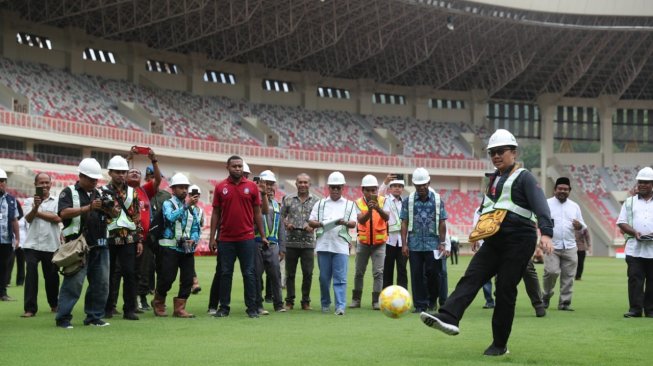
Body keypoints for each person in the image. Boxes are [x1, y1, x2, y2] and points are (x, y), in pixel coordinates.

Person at [420, 129, 554, 356]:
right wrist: (477, 234)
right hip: (494, 239)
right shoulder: (493, 181)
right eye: (492, 153)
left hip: (520, 238)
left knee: (505, 289)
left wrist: (547, 233)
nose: (496, 156)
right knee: (472, 276)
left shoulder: (525, 177)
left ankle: (499, 345)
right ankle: (448, 317)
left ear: (514, 152)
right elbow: (487, 211)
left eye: (500, 151)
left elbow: (541, 205)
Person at [55, 158, 116, 328]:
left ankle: (94, 317)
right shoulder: (68, 192)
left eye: (96, 179)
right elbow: (63, 213)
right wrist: (88, 207)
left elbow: (113, 216)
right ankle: (63, 318)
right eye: (91, 179)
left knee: (101, 284)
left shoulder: (101, 193)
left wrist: (111, 209)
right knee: (73, 283)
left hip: (101, 244)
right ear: (80, 176)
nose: (94, 182)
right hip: (78, 245)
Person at [210, 155, 268, 318]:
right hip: (226, 239)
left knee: (249, 273)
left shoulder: (252, 187)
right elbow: (215, 212)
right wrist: (212, 238)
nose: (238, 169)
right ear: (227, 167)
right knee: (225, 273)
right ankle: (224, 308)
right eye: (234, 166)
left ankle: (251, 308)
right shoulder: (220, 187)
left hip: (247, 237)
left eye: (240, 166)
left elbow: (258, 213)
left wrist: (262, 235)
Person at [150, 173, 200, 318]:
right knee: (167, 278)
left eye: (186, 187)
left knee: (187, 279)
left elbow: (196, 227)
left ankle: (180, 308)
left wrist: (194, 239)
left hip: (186, 249)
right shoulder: (168, 203)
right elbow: (170, 217)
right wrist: (186, 206)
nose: (184, 190)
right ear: (173, 189)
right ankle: (158, 301)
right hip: (169, 248)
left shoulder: (192, 207)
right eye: (180, 187)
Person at [308, 171, 356, 315]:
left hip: (340, 246)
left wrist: (344, 222)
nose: (335, 190)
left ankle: (340, 306)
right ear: (328, 188)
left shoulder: (349, 204)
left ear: (343, 188)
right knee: (324, 278)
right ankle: (325, 304)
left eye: (338, 187)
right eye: (333, 187)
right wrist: (322, 223)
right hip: (323, 245)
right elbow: (311, 221)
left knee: (340, 278)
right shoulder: (320, 203)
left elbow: (353, 223)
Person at [400, 167, 447, 313]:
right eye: (418, 185)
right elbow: (404, 222)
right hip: (414, 245)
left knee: (434, 274)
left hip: (433, 244)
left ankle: (432, 300)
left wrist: (442, 243)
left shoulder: (438, 200)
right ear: (414, 185)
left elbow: (442, 223)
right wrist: (404, 244)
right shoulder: (408, 201)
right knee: (416, 275)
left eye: (424, 184)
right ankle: (420, 305)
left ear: (428, 182)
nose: (421, 187)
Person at [103, 155, 144, 321]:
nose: (121, 175)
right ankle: (108, 308)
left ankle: (129, 309)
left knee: (130, 274)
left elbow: (136, 216)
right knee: (109, 274)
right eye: (117, 172)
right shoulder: (102, 191)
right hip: (109, 238)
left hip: (129, 238)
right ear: (110, 173)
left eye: (123, 172)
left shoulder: (132, 192)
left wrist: (139, 239)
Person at [126, 147, 162, 311]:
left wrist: (153, 160)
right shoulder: (122, 190)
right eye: (131, 171)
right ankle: (118, 303)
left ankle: (140, 299)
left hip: (145, 238)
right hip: (125, 237)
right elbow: (115, 176)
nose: (134, 173)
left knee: (144, 271)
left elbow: (158, 180)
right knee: (124, 271)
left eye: (137, 173)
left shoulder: (144, 190)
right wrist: (128, 158)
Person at [21, 173, 61, 317]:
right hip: (31, 244)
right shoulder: (28, 201)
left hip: (51, 244)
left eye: (47, 182)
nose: (44, 185)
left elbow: (58, 217)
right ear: (35, 184)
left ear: (51, 184)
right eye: (41, 183)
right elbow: (28, 218)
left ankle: (54, 304)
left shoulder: (57, 201)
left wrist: (37, 211)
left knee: (52, 276)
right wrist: (35, 208)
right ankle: (30, 309)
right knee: (31, 275)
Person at [543, 177, 586, 311]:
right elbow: (539, 221)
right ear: (555, 190)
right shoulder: (546, 204)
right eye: (560, 189)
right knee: (551, 272)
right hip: (552, 245)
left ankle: (564, 303)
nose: (562, 191)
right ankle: (546, 296)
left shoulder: (574, 206)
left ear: (569, 191)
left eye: (565, 189)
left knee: (568, 276)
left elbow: (583, 225)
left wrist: (579, 226)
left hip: (570, 246)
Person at [617, 166, 653, 318]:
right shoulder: (629, 202)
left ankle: (650, 310)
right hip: (634, 249)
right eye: (640, 182)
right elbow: (622, 222)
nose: (642, 185)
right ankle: (635, 310)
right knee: (635, 280)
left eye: (646, 182)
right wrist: (634, 232)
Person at [351, 174, 390, 310]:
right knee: (359, 272)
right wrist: (369, 210)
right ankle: (356, 300)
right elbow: (361, 220)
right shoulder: (357, 203)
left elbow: (387, 217)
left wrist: (377, 208)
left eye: (374, 190)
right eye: (368, 190)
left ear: (377, 189)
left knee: (378, 273)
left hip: (379, 243)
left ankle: (376, 301)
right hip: (363, 242)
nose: (371, 193)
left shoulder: (384, 201)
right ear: (363, 190)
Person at [281, 173, 319, 310]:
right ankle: (289, 301)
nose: (303, 184)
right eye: (300, 182)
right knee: (289, 273)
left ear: (310, 184)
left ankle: (305, 302)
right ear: (296, 184)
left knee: (308, 273)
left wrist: (312, 226)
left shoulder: (317, 200)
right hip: (291, 242)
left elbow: (321, 220)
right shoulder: (288, 199)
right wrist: (286, 223)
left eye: (305, 182)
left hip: (308, 243)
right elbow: (281, 217)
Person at [254, 170, 286, 314]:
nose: (269, 187)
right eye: (266, 183)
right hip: (256, 243)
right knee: (256, 276)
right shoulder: (254, 202)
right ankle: (258, 305)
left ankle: (279, 305)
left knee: (275, 275)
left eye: (272, 184)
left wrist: (282, 248)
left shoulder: (278, 205)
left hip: (273, 245)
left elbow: (281, 228)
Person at [379, 174, 408, 290]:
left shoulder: (405, 203)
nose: (397, 188)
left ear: (402, 189)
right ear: (390, 188)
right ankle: (386, 296)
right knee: (387, 270)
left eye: (400, 186)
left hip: (402, 243)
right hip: (389, 241)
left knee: (402, 270)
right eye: (394, 186)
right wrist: (385, 182)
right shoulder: (385, 200)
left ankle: (403, 296)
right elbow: (379, 194)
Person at [0, 168, 20, 302]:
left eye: (3, 181)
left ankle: (2, 293)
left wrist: (17, 238)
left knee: (4, 268)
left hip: (6, 240)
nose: (2, 184)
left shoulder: (11, 200)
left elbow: (14, 220)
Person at [188, 184, 205, 295]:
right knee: (188, 261)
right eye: (194, 195)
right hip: (189, 239)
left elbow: (201, 223)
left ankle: (193, 283)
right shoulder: (186, 207)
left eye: (197, 195)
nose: (195, 197)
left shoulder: (200, 210)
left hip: (191, 239)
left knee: (188, 261)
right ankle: (193, 282)